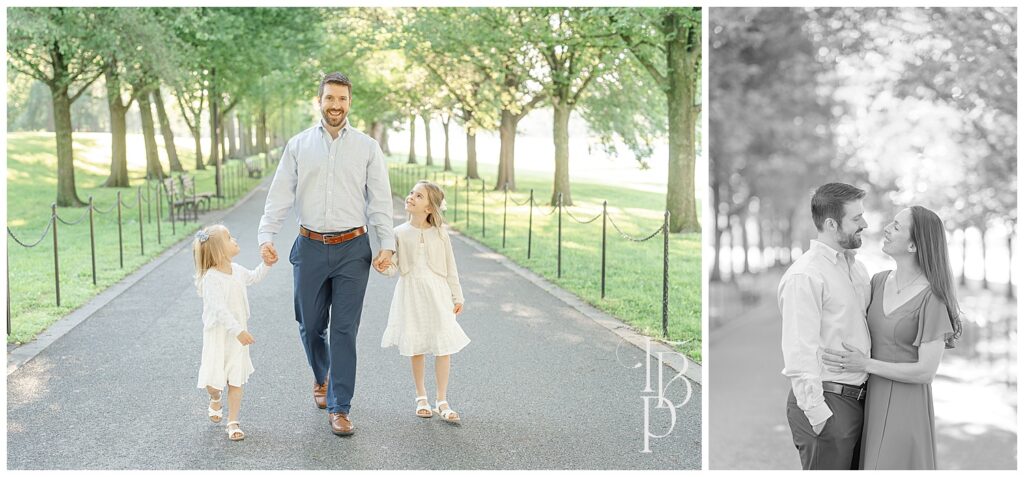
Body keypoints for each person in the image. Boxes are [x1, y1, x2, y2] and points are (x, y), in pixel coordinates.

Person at [257, 72, 395, 436]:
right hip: (310, 247)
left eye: (342, 100)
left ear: (350, 102)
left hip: (353, 249)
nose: (336, 106)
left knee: (344, 330)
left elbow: (380, 200)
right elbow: (280, 194)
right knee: (310, 324)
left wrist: (387, 245)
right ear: (319, 100)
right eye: (330, 98)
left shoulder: (367, 147)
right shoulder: (299, 145)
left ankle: (340, 406)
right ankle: (322, 376)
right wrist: (266, 236)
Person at [822, 206, 962, 469]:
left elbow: (925, 372)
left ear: (913, 245)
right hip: (869, 403)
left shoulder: (933, 298)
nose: (886, 228)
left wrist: (866, 364)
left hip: (906, 407)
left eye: (896, 226)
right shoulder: (877, 281)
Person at [778, 183, 871, 470]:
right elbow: (799, 349)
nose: (864, 224)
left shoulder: (856, 268)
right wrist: (818, 414)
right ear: (832, 224)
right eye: (856, 219)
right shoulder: (805, 276)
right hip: (828, 402)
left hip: (861, 401)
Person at [377, 181, 469, 424]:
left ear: (429, 208)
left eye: (418, 196)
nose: (411, 197)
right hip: (410, 292)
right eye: (411, 193)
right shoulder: (398, 233)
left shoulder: (440, 234)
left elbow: (451, 268)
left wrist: (457, 295)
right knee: (416, 344)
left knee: (443, 344)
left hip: (437, 292)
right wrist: (383, 268)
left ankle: (442, 400)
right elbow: (394, 267)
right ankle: (421, 397)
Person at [193, 224, 272, 441]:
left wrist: (266, 264)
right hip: (219, 336)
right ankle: (215, 397)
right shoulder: (211, 278)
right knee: (213, 381)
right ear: (219, 250)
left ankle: (233, 421)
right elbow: (219, 310)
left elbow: (254, 277)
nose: (234, 239)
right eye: (229, 238)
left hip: (238, 336)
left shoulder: (237, 270)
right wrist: (237, 330)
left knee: (236, 378)